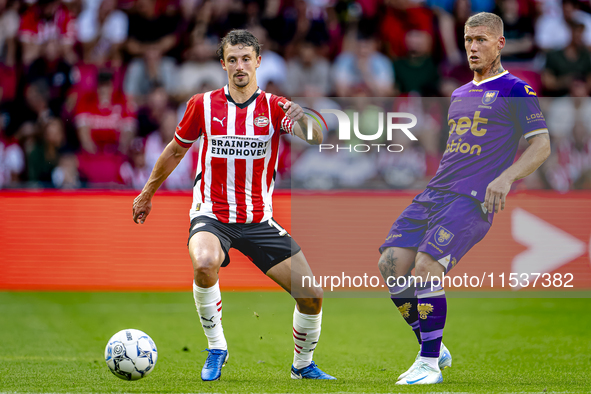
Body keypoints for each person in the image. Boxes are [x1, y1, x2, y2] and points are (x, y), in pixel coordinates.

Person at [131, 29, 335, 382]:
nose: (240, 66)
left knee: (312, 295)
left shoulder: (274, 106)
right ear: (223, 64)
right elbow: (176, 150)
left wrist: (305, 117)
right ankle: (216, 347)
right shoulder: (203, 105)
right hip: (212, 214)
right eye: (233, 60)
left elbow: (317, 137)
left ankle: (302, 366)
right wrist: (147, 193)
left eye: (246, 59)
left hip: (259, 220)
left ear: (258, 61)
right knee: (205, 262)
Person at [377, 12, 551, 385]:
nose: (473, 46)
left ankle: (427, 365)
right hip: (436, 191)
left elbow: (542, 145)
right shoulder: (458, 93)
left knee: (426, 269)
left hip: (472, 199)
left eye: (482, 40)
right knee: (391, 267)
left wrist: (506, 178)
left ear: (500, 44)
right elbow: (456, 150)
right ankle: (434, 346)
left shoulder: (516, 90)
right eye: (469, 39)